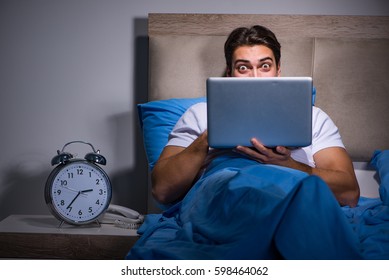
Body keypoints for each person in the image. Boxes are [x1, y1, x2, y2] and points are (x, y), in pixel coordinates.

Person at [151, 25, 360, 208]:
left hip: (290, 194)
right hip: (223, 196)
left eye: (265, 66)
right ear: (230, 74)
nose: (255, 76)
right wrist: (210, 136)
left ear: (278, 70)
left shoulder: (314, 117)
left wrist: (289, 164)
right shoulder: (199, 114)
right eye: (243, 67)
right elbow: (162, 190)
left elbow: (349, 194)